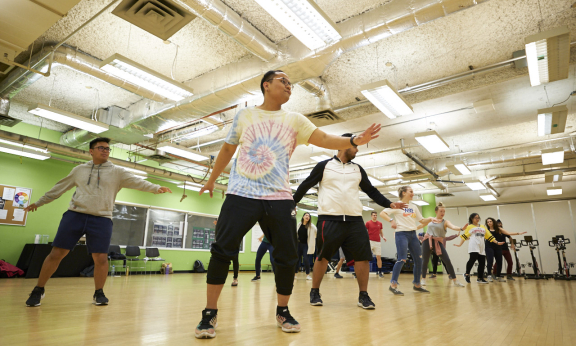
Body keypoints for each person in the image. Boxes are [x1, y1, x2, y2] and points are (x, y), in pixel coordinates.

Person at [195, 70, 382, 338]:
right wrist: (212, 180)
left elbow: (325, 140)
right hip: (241, 194)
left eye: (291, 84)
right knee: (223, 251)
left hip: (279, 197)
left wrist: (353, 140)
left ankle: (283, 310)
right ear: (266, 85)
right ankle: (209, 314)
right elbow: (228, 149)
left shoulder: (294, 119)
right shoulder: (245, 114)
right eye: (283, 81)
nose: (289, 86)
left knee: (287, 256)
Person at [23, 137, 172, 307]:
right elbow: (59, 188)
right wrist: (39, 202)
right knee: (56, 254)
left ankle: (98, 293)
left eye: (108, 149)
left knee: (101, 258)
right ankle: (38, 289)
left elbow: (137, 181)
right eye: (101, 148)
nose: (105, 151)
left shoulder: (117, 172)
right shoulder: (79, 170)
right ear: (91, 151)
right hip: (75, 215)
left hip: (102, 219)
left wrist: (155, 188)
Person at [294, 133, 405, 309]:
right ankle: (314, 291)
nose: (357, 149)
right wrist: (291, 204)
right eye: (355, 146)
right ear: (345, 145)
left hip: (354, 220)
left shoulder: (358, 169)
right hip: (329, 219)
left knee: (362, 258)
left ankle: (363, 295)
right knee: (323, 256)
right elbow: (305, 185)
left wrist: (389, 203)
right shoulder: (324, 166)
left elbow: (372, 191)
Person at [380, 186, 429, 295]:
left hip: (413, 234)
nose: (413, 193)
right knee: (402, 259)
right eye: (411, 191)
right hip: (401, 234)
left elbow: (421, 220)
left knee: (419, 259)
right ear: (403, 193)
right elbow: (383, 213)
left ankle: (417, 284)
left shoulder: (414, 207)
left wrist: (430, 219)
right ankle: (393, 285)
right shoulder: (397, 205)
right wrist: (391, 220)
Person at [417, 203, 466, 287]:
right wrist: (411, 229)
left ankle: (455, 280)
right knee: (425, 261)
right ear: (436, 211)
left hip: (438, 242)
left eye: (444, 211)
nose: (443, 213)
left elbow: (453, 227)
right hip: (427, 240)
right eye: (441, 211)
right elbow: (421, 224)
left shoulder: (445, 222)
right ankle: (423, 280)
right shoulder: (431, 219)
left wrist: (461, 228)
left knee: (447, 261)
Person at [454, 213, 505, 284]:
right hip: (473, 246)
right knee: (472, 259)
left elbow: (489, 236)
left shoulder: (483, 227)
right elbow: (465, 236)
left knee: (482, 263)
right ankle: (466, 274)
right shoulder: (469, 226)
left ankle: (480, 278)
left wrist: (497, 242)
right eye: (475, 218)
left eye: (478, 217)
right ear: (472, 218)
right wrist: (459, 244)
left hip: (481, 247)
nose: (477, 219)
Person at [486, 218, 526, 282]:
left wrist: (518, 233)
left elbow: (508, 233)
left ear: (493, 222)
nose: (489, 223)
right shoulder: (486, 230)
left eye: (490, 221)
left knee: (499, 261)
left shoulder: (499, 229)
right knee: (490, 261)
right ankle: (489, 276)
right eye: (488, 222)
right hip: (489, 247)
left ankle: (499, 276)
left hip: (498, 247)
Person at [214, 218, 239, 286]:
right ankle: (219, 278)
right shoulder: (221, 223)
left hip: (234, 242)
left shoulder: (234, 222)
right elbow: (217, 235)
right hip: (223, 243)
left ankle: (235, 278)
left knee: (235, 260)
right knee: (221, 260)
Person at [295, 212, 317, 280]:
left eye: (309, 216)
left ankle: (307, 275)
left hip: (306, 245)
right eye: (306, 215)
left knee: (306, 259)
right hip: (298, 244)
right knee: (296, 260)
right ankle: (294, 274)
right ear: (303, 217)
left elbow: (316, 233)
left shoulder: (311, 226)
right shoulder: (299, 224)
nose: (307, 216)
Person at [366, 211, 387, 277]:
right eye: (374, 215)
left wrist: (383, 237)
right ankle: (364, 272)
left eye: (376, 215)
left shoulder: (380, 223)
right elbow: (365, 231)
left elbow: (381, 232)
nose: (375, 216)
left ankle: (380, 272)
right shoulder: (368, 223)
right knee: (366, 257)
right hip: (370, 241)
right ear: (371, 216)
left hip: (377, 241)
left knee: (378, 257)